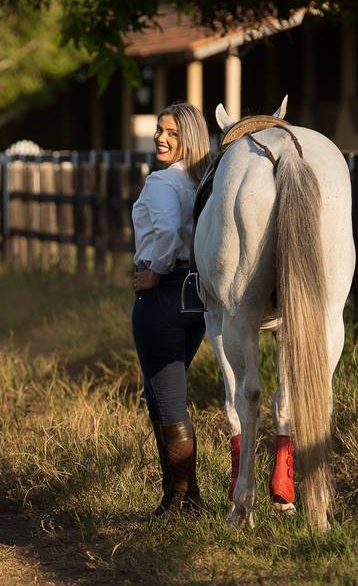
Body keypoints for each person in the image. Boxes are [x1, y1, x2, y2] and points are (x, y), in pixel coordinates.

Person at [130, 101, 211, 519]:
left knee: (167, 401)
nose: (161, 137)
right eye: (160, 129)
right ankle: (185, 495)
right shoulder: (202, 184)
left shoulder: (161, 183)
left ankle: (180, 501)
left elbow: (164, 232)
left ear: (189, 138)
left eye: (172, 133)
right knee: (167, 396)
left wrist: (155, 273)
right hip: (195, 295)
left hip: (162, 294)